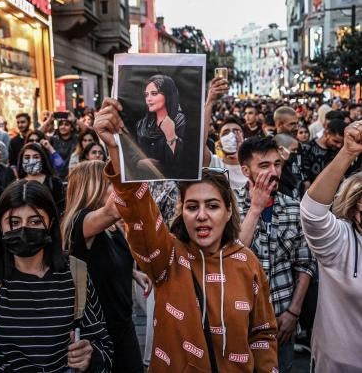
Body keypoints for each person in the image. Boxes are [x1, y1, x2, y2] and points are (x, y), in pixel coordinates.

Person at [93, 97, 278, 372]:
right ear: (182, 213)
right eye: (192, 206)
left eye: (212, 206)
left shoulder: (248, 264)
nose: (201, 214)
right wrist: (115, 148)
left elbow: (263, 336)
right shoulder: (166, 258)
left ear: (229, 212)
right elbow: (137, 208)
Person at [0, 179, 113, 371]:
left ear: (50, 223)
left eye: (35, 221)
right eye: (14, 222)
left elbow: (104, 346)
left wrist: (90, 357)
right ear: (0, 227)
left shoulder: (75, 274)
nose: (24, 230)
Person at [236, 136, 316, 373]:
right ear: (245, 170)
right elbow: (232, 256)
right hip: (240, 319)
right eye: (264, 166)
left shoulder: (293, 208)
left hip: (281, 321)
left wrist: (294, 312)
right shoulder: (228, 205)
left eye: (277, 164)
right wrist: (255, 209)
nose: (273, 172)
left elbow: (305, 263)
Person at [62, 160, 150, 372]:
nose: (113, 187)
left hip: (124, 325)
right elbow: (114, 209)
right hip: (100, 334)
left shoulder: (110, 230)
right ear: (91, 187)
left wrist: (132, 273)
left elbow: (105, 260)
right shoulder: (78, 223)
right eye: (107, 182)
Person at [300, 121, 362, 372]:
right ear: (356, 207)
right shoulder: (341, 241)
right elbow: (312, 213)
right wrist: (347, 152)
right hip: (339, 365)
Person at [129, 74, 186, 178]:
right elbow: (132, 153)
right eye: (146, 95)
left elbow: (184, 162)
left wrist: (171, 136)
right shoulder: (142, 124)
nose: (148, 99)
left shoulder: (180, 121)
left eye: (154, 93)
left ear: (168, 95)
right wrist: (140, 163)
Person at [17, 143, 65, 216]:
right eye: (27, 157)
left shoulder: (54, 182)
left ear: (42, 159)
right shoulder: (17, 184)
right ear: (21, 160)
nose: (31, 161)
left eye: (36, 157)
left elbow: (61, 208)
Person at [302, 119, 345, 184]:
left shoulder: (338, 151)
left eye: (341, 143)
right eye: (336, 141)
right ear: (326, 134)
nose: (339, 145)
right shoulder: (307, 148)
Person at [50, 114, 78, 181]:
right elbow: (38, 133)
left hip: (73, 176)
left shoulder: (76, 139)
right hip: (57, 177)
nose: (63, 127)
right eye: (61, 124)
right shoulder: (54, 139)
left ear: (71, 128)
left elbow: (89, 132)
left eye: (66, 124)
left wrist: (75, 120)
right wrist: (49, 120)